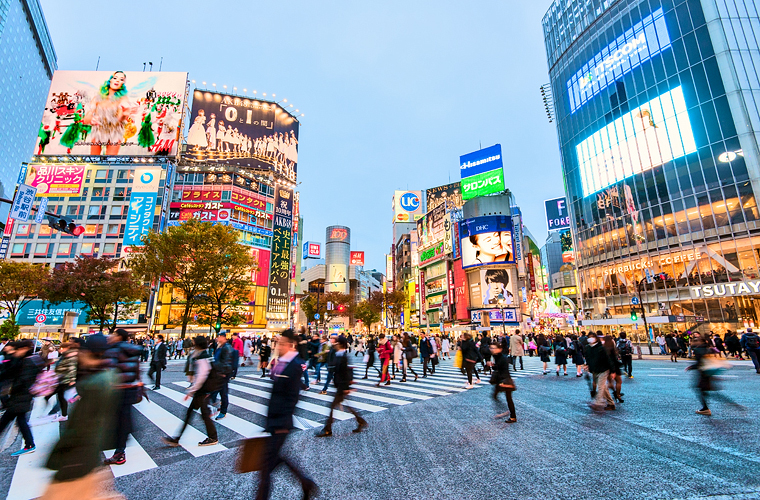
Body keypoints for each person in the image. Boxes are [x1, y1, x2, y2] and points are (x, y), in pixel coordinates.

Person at [41, 334, 120, 499]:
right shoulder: (105, 377)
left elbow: (80, 427)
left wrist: (60, 457)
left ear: (88, 353)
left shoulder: (97, 384)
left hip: (77, 458)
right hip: (85, 455)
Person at [254, 330, 317, 500]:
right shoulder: (283, 363)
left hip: (281, 421)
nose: (278, 347)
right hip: (276, 420)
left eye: (282, 344)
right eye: (278, 344)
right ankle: (306, 483)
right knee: (276, 460)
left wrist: (282, 422)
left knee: (266, 468)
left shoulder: (294, 365)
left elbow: (292, 397)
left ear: (291, 345)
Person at [162, 336, 219, 447]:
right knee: (194, 414)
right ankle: (177, 438)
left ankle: (212, 437)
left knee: (196, 415)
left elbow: (201, 376)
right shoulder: (203, 355)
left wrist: (192, 390)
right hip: (204, 390)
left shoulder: (203, 357)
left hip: (203, 390)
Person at [103, 329, 144, 466]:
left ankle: (118, 450)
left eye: (114, 334)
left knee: (115, 420)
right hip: (130, 388)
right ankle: (120, 449)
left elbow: (108, 370)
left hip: (117, 389)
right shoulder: (132, 349)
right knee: (123, 419)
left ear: (119, 336)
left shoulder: (114, 350)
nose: (111, 336)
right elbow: (136, 368)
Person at [316, 336, 367, 437]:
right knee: (347, 405)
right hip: (340, 385)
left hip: (342, 386)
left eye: (337, 343)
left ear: (341, 344)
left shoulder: (343, 356)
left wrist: (346, 388)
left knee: (333, 406)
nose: (335, 344)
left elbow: (345, 372)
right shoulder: (338, 354)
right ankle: (360, 421)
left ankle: (328, 429)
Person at [0, 340, 41, 456]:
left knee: (8, 420)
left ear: (24, 349)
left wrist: (11, 389)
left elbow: (23, 381)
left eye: (17, 350)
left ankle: (30, 444)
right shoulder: (22, 360)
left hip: (21, 396)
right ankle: (30, 444)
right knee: (18, 420)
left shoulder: (28, 362)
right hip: (20, 397)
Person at [83, 71, 133, 156]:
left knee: (110, 161)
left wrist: (125, 114)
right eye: (115, 78)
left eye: (121, 79)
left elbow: (120, 118)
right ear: (110, 80)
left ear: (123, 84)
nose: (117, 81)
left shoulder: (123, 99)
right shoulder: (97, 98)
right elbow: (86, 119)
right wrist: (91, 120)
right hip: (98, 130)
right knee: (94, 160)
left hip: (115, 131)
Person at [585, 332, 615, 411]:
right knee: (604, 387)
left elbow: (608, 359)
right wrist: (587, 365)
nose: (590, 339)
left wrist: (612, 371)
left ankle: (598, 402)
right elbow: (588, 359)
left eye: (592, 337)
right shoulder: (588, 348)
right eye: (589, 337)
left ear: (595, 338)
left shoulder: (601, 348)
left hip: (603, 369)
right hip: (595, 370)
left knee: (600, 387)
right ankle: (611, 403)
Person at [489, 339, 516, 423]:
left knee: (505, 398)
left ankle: (508, 413)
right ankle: (511, 415)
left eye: (494, 348)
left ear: (499, 349)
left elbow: (504, 370)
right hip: (502, 380)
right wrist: (492, 365)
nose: (492, 350)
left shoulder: (502, 358)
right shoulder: (497, 357)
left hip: (505, 381)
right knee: (504, 398)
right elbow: (498, 368)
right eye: (491, 348)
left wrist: (502, 382)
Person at [51, 341, 78, 422]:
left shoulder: (71, 356)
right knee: (60, 397)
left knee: (60, 397)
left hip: (65, 379)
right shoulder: (66, 355)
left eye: (62, 348)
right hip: (62, 378)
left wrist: (72, 380)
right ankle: (63, 414)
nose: (60, 349)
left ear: (68, 348)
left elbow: (72, 368)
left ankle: (63, 415)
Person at [210, 333, 234, 420]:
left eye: (219, 337)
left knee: (223, 392)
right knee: (215, 391)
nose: (217, 338)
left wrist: (223, 373)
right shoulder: (219, 346)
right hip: (218, 372)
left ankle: (223, 411)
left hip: (223, 373)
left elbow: (226, 361)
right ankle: (219, 406)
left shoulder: (226, 347)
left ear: (223, 337)